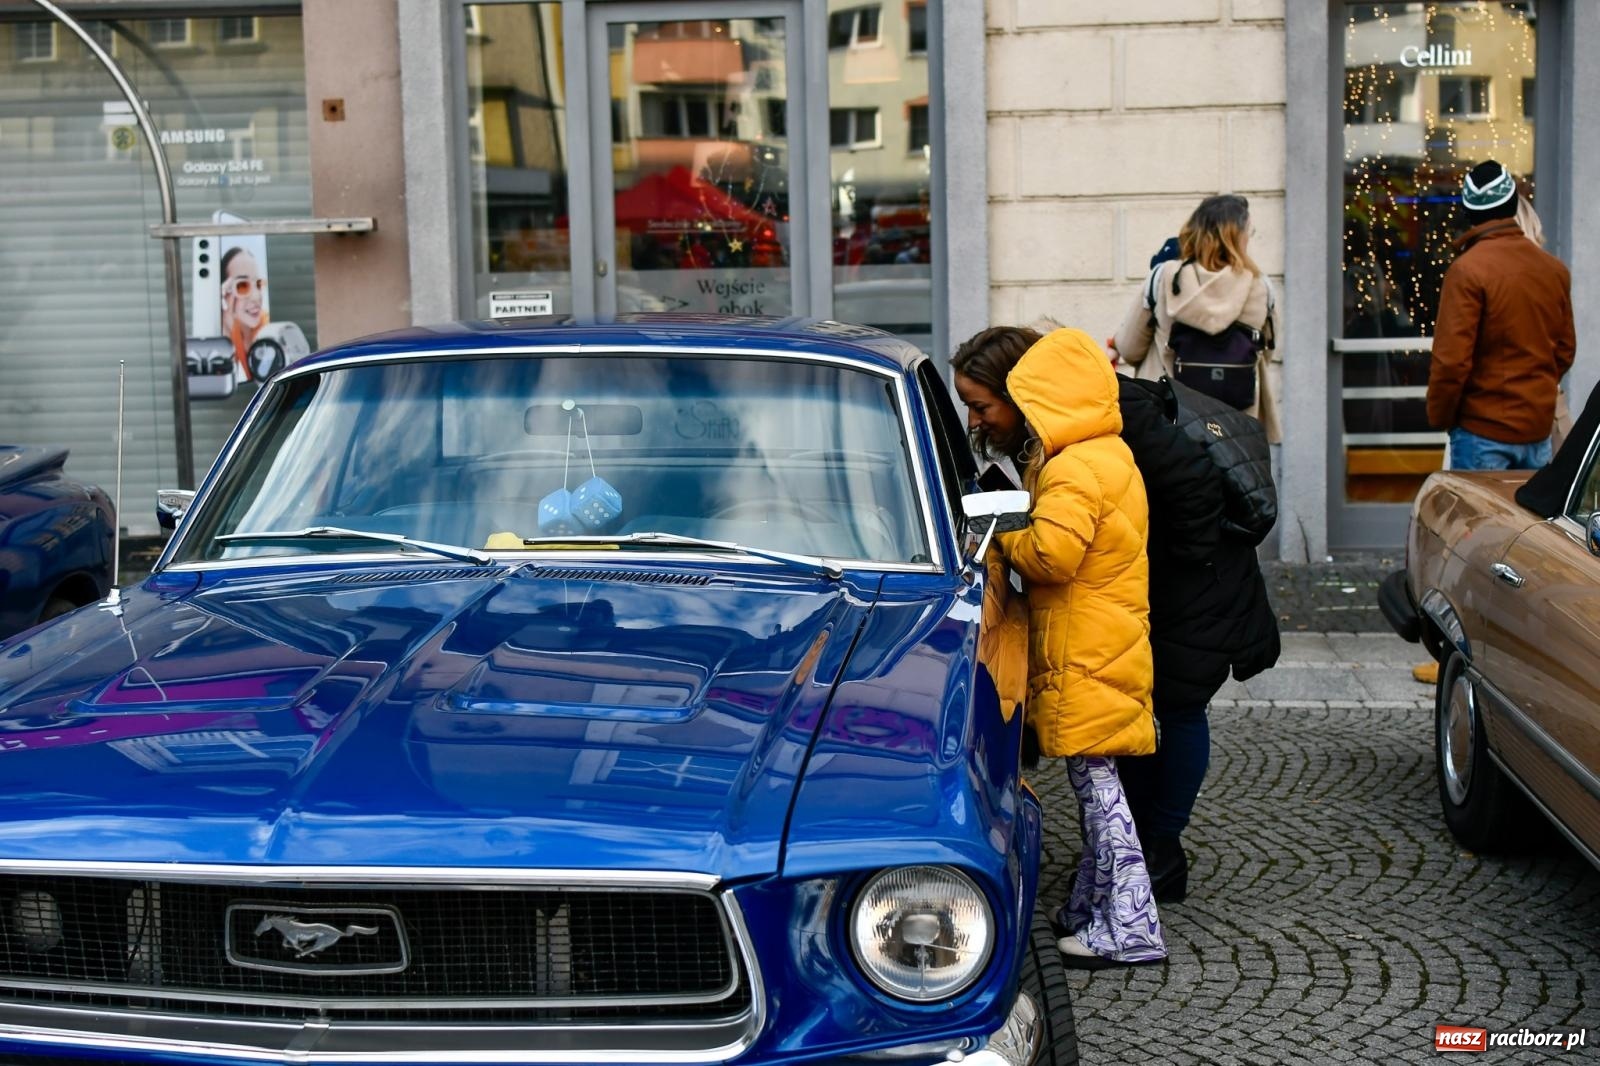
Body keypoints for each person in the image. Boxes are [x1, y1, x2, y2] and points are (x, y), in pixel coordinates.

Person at [982, 321, 1281, 906]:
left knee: (1181, 704)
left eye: (982, 404)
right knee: (1141, 715)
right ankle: (1135, 854)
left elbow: (1194, 490)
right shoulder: (1067, 435)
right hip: (1144, 582)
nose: (978, 421)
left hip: (1195, 583)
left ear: (1026, 393)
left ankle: (1158, 853)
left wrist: (1148, 565)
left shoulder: (1108, 419)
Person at [952, 325, 1165, 970]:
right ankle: (1093, 908)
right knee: (1095, 785)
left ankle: (1132, 926)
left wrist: (994, 532)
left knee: (1100, 793)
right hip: (1102, 641)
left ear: (1038, 402)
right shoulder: (1106, 452)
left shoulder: (1073, 469)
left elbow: (1052, 553)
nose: (976, 418)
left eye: (983, 404)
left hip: (1085, 651)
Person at [1410, 166, 1577, 687]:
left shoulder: (1469, 269)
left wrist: (1442, 416)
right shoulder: (1552, 269)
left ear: (1471, 211)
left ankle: (1459, 665)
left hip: (1481, 431)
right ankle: (1516, 670)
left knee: (1472, 555)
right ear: (1512, 206)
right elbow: (1564, 350)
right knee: (1522, 557)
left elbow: (1452, 362)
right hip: (1532, 431)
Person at [1109, 193, 1282, 444]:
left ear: (1195, 231)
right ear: (1241, 237)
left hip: (1169, 424)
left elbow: (1130, 348)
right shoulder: (1261, 287)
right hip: (1236, 429)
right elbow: (1266, 353)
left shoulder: (1164, 278)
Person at [219, 246, 269, 380]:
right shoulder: (230, 330)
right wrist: (227, 328)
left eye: (258, 284)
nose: (256, 296)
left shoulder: (267, 329)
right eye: (242, 286)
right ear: (225, 293)